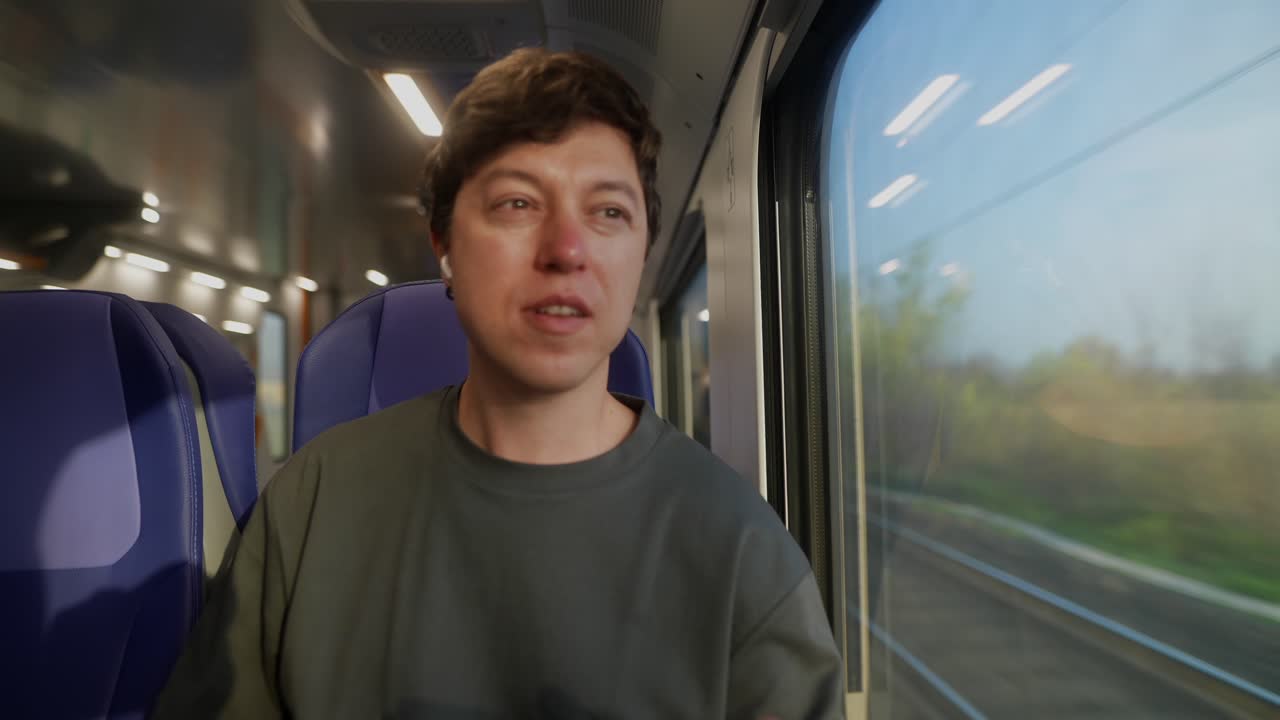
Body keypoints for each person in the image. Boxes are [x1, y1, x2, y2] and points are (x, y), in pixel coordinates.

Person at [153, 47, 843, 719]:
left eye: (609, 212)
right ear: (444, 245)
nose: (567, 250)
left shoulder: (742, 553)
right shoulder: (311, 504)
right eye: (517, 203)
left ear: (641, 255)